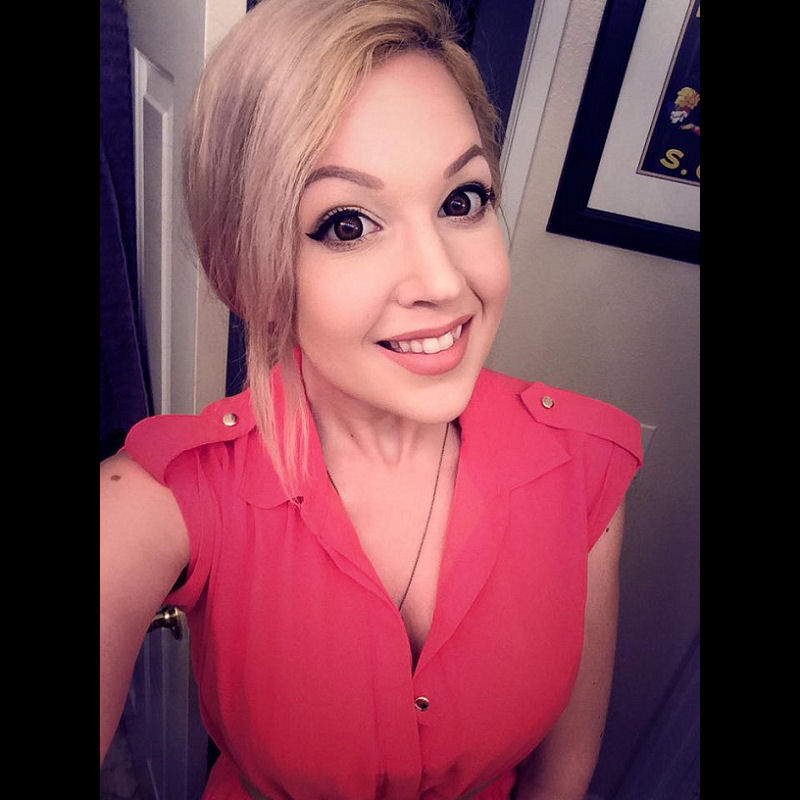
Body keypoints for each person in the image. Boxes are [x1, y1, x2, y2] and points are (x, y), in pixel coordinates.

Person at [100, 1, 643, 798]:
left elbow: (559, 776)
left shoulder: (588, 466)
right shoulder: (159, 498)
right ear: (248, 273)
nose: (442, 282)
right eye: (348, 224)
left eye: (462, 200)